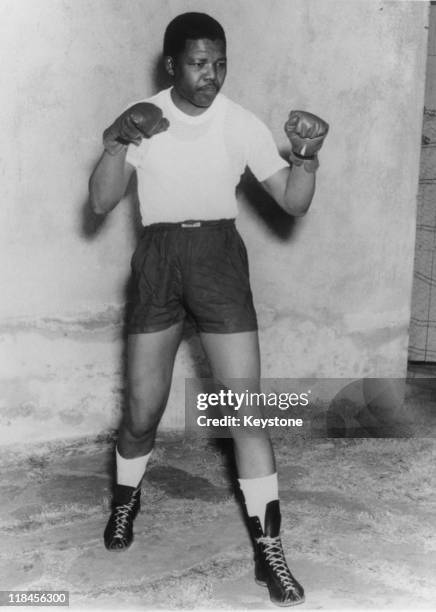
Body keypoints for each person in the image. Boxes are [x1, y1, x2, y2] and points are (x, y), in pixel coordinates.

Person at [89, 12, 328, 607]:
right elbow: (99, 200)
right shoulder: (144, 117)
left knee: (247, 411)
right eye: (199, 63)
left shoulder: (239, 121)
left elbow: (293, 205)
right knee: (143, 413)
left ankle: (270, 553)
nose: (211, 75)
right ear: (172, 64)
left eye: (220, 62)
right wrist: (118, 140)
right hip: (159, 259)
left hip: (219, 259)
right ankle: (126, 503)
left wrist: (305, 157)